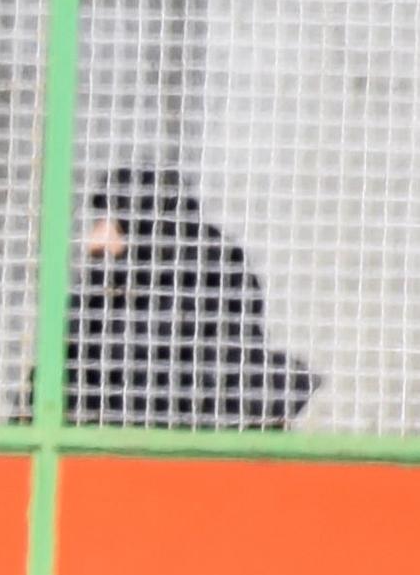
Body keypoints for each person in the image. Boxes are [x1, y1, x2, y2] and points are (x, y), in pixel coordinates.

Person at [61, 168, 316, 431]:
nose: (95, 240)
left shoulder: (202, 265)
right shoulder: (116, 278)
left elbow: (130, 351)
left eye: (111, 220)